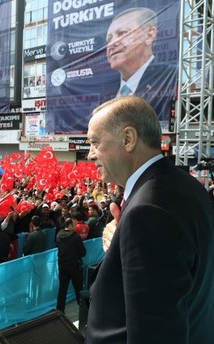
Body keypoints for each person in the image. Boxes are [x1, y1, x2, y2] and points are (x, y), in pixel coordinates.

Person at [85, 96, 214, 343]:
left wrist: (131, 231)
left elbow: (156, 333)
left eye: (95, 143)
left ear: (128, 139)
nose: (90, 154)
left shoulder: (147, 212)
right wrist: (124, 242)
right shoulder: (186, 185)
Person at [103, 7, 177, 130]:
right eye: (109, 39)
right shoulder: (105, 90)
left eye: (122, 33)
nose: (112, 43)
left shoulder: (173, 76)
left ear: (149, 35)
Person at [55, 218, 86, 313]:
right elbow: (83, 252)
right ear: (69, 225)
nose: (75, 227)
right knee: (78, 289)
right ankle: (83, 309)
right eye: (74, 225)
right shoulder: (76, 237)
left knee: (62, 289)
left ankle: (60, 310)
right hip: (74, 266)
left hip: (62, 265)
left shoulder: (59, 235)